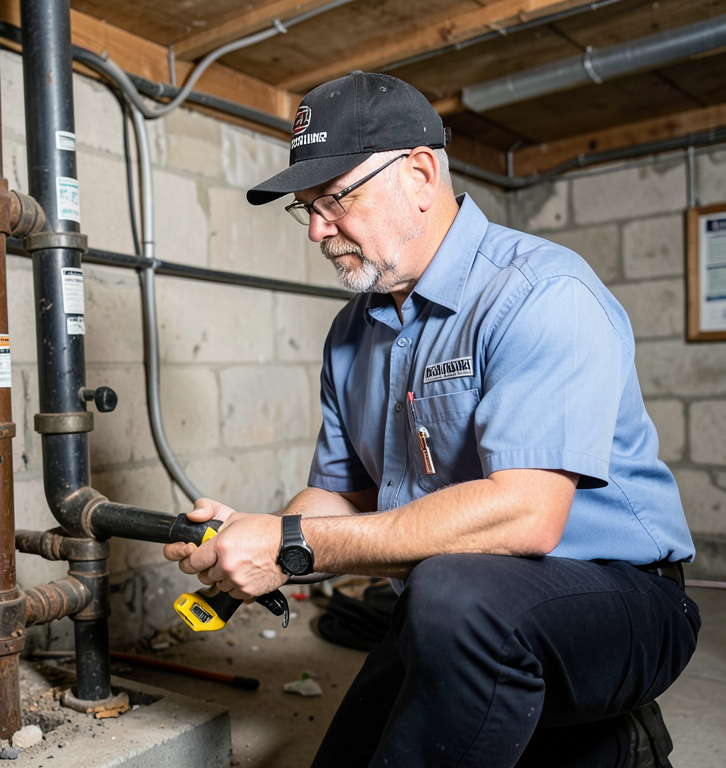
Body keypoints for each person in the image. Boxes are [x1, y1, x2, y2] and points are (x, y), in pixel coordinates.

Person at [163, 72, 700, 768]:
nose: (319, 230)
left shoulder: (541, 293)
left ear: (420, 174)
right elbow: (341, 496)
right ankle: (585, 741)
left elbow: (526, 517)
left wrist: (295, 546)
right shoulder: (351, 334)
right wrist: (259, 541)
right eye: (307, 209)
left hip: (617, 599)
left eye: (335, 199)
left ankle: (603, 734)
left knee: (455, 596)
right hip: (450, 606)